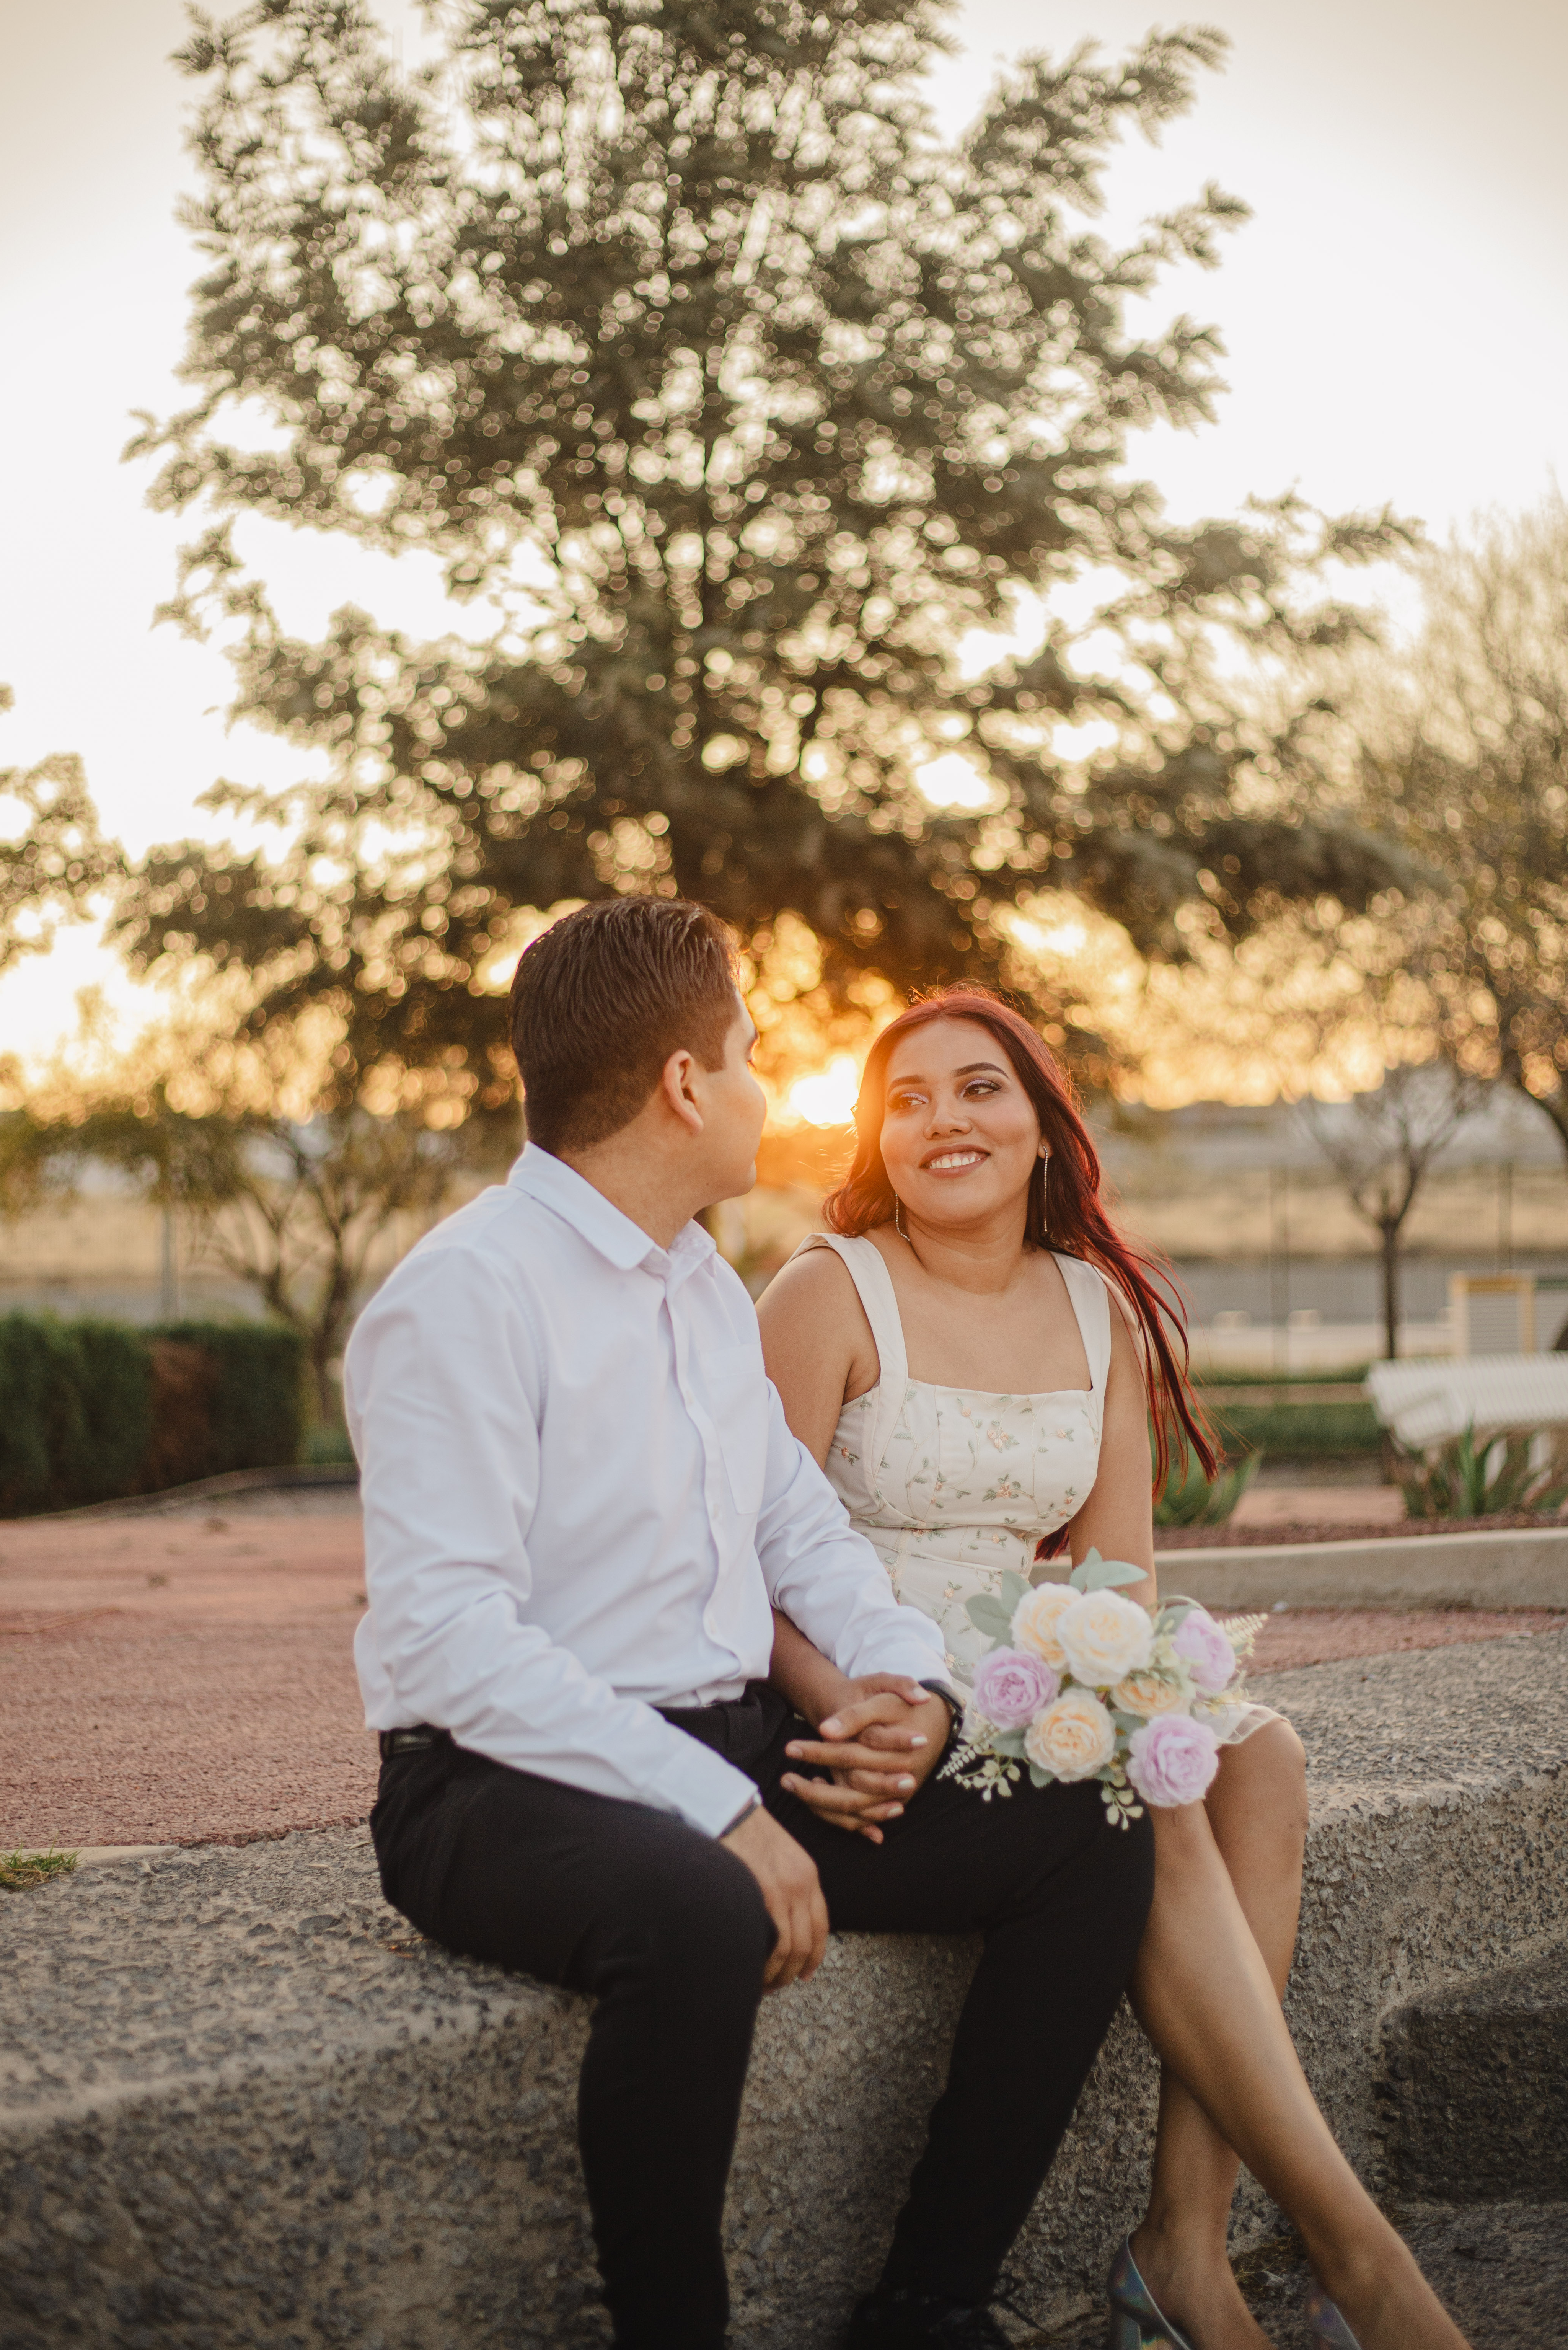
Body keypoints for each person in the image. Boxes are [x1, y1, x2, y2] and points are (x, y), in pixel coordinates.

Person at [345, 901, 1155, 2350]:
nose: (770, 1087)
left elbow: (799, 1526)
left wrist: (904, 1686)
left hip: (727, 1744)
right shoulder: (464, 1297)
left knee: (1088, 1829)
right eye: (751, 1054)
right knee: (698, 1909)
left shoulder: (704, 1294)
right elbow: (449, 1645)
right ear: (682, 1086)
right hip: (494, 1784)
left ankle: (929, 2305)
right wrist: (718, 1809)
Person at [756, 989, 1471, 2350]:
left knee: (1255, 1757)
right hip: (873, 1689)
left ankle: (1186, 2238)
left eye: (979, 1089)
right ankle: (1354, 2258)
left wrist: (1129, 1692)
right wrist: (837, 1698)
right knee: (1158, 1803)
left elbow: (1122, 1578)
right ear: (872, 1138)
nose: (940, 1120)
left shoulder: (1099, 1312)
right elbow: (741, 1558)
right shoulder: (823, 1291)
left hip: (1027, 1670)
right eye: (904, 1099)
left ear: (1040, 1130)